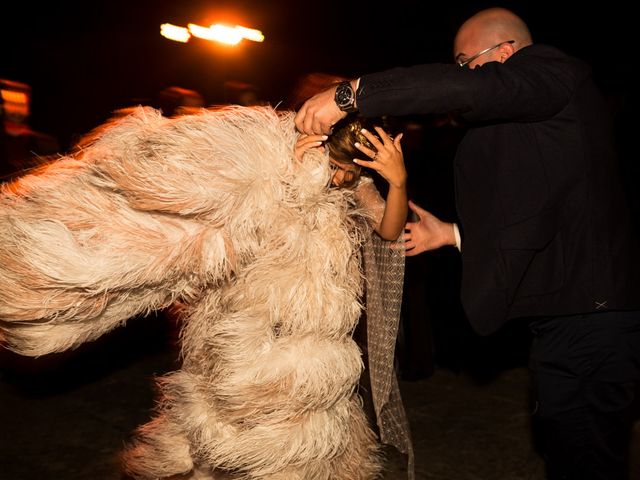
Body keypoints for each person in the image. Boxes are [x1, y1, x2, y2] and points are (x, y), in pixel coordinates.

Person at [295, 6, 640, 480]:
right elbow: (543, 206)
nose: (461, 75)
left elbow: (468, 89)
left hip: (593, 315)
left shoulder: (553, 71)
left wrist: (354, 94)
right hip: (568, 314)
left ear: (504, 52)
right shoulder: (544, 114)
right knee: (564, 444)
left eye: (464, 61)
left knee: (587, 455)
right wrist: (453, 234)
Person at [0, 103, 411, 479]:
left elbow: (389, 230)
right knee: (222, 416)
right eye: (335, 166)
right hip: (249, 315)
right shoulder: (275, 161)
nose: (338, 177)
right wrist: (294, 171)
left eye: (349, 171)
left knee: (297, 437)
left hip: (317, 329)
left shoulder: (357, 187)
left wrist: (398, 181)